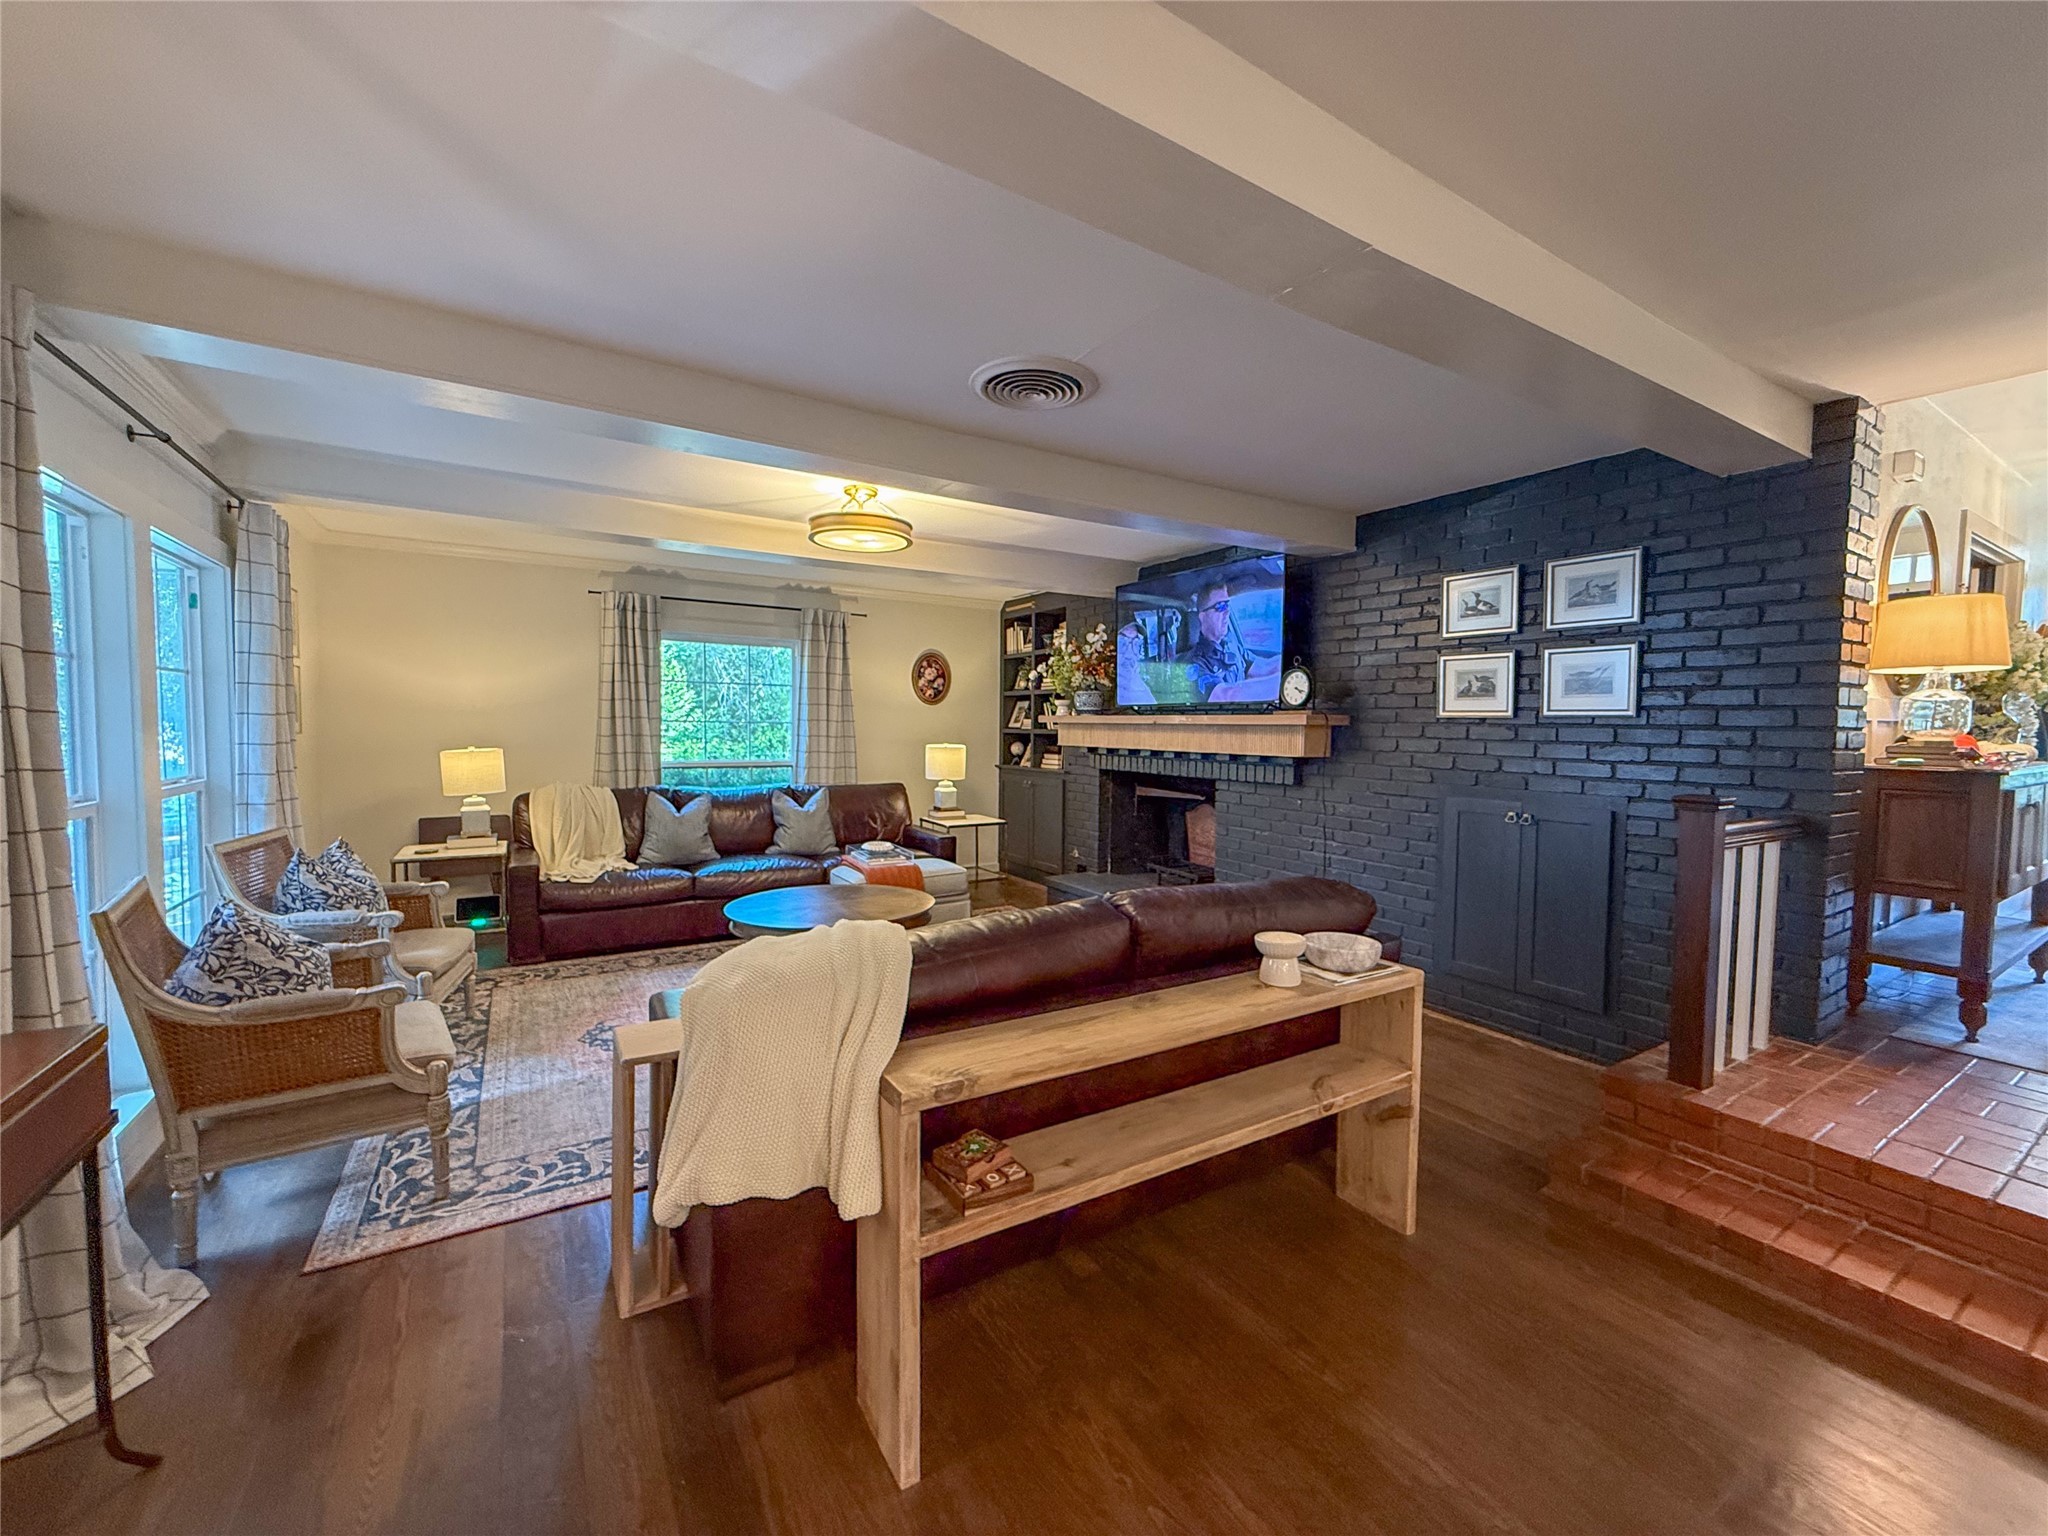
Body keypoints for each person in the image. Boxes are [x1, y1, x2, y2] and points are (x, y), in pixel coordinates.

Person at [1177, 579, 1250, 699]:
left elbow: (1262, 667)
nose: (1227, 612)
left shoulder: (1232, 647)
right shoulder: (1192, 664)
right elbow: (1226, 696)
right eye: (1220, 607)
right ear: (1203, 616)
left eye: (1227, 605)